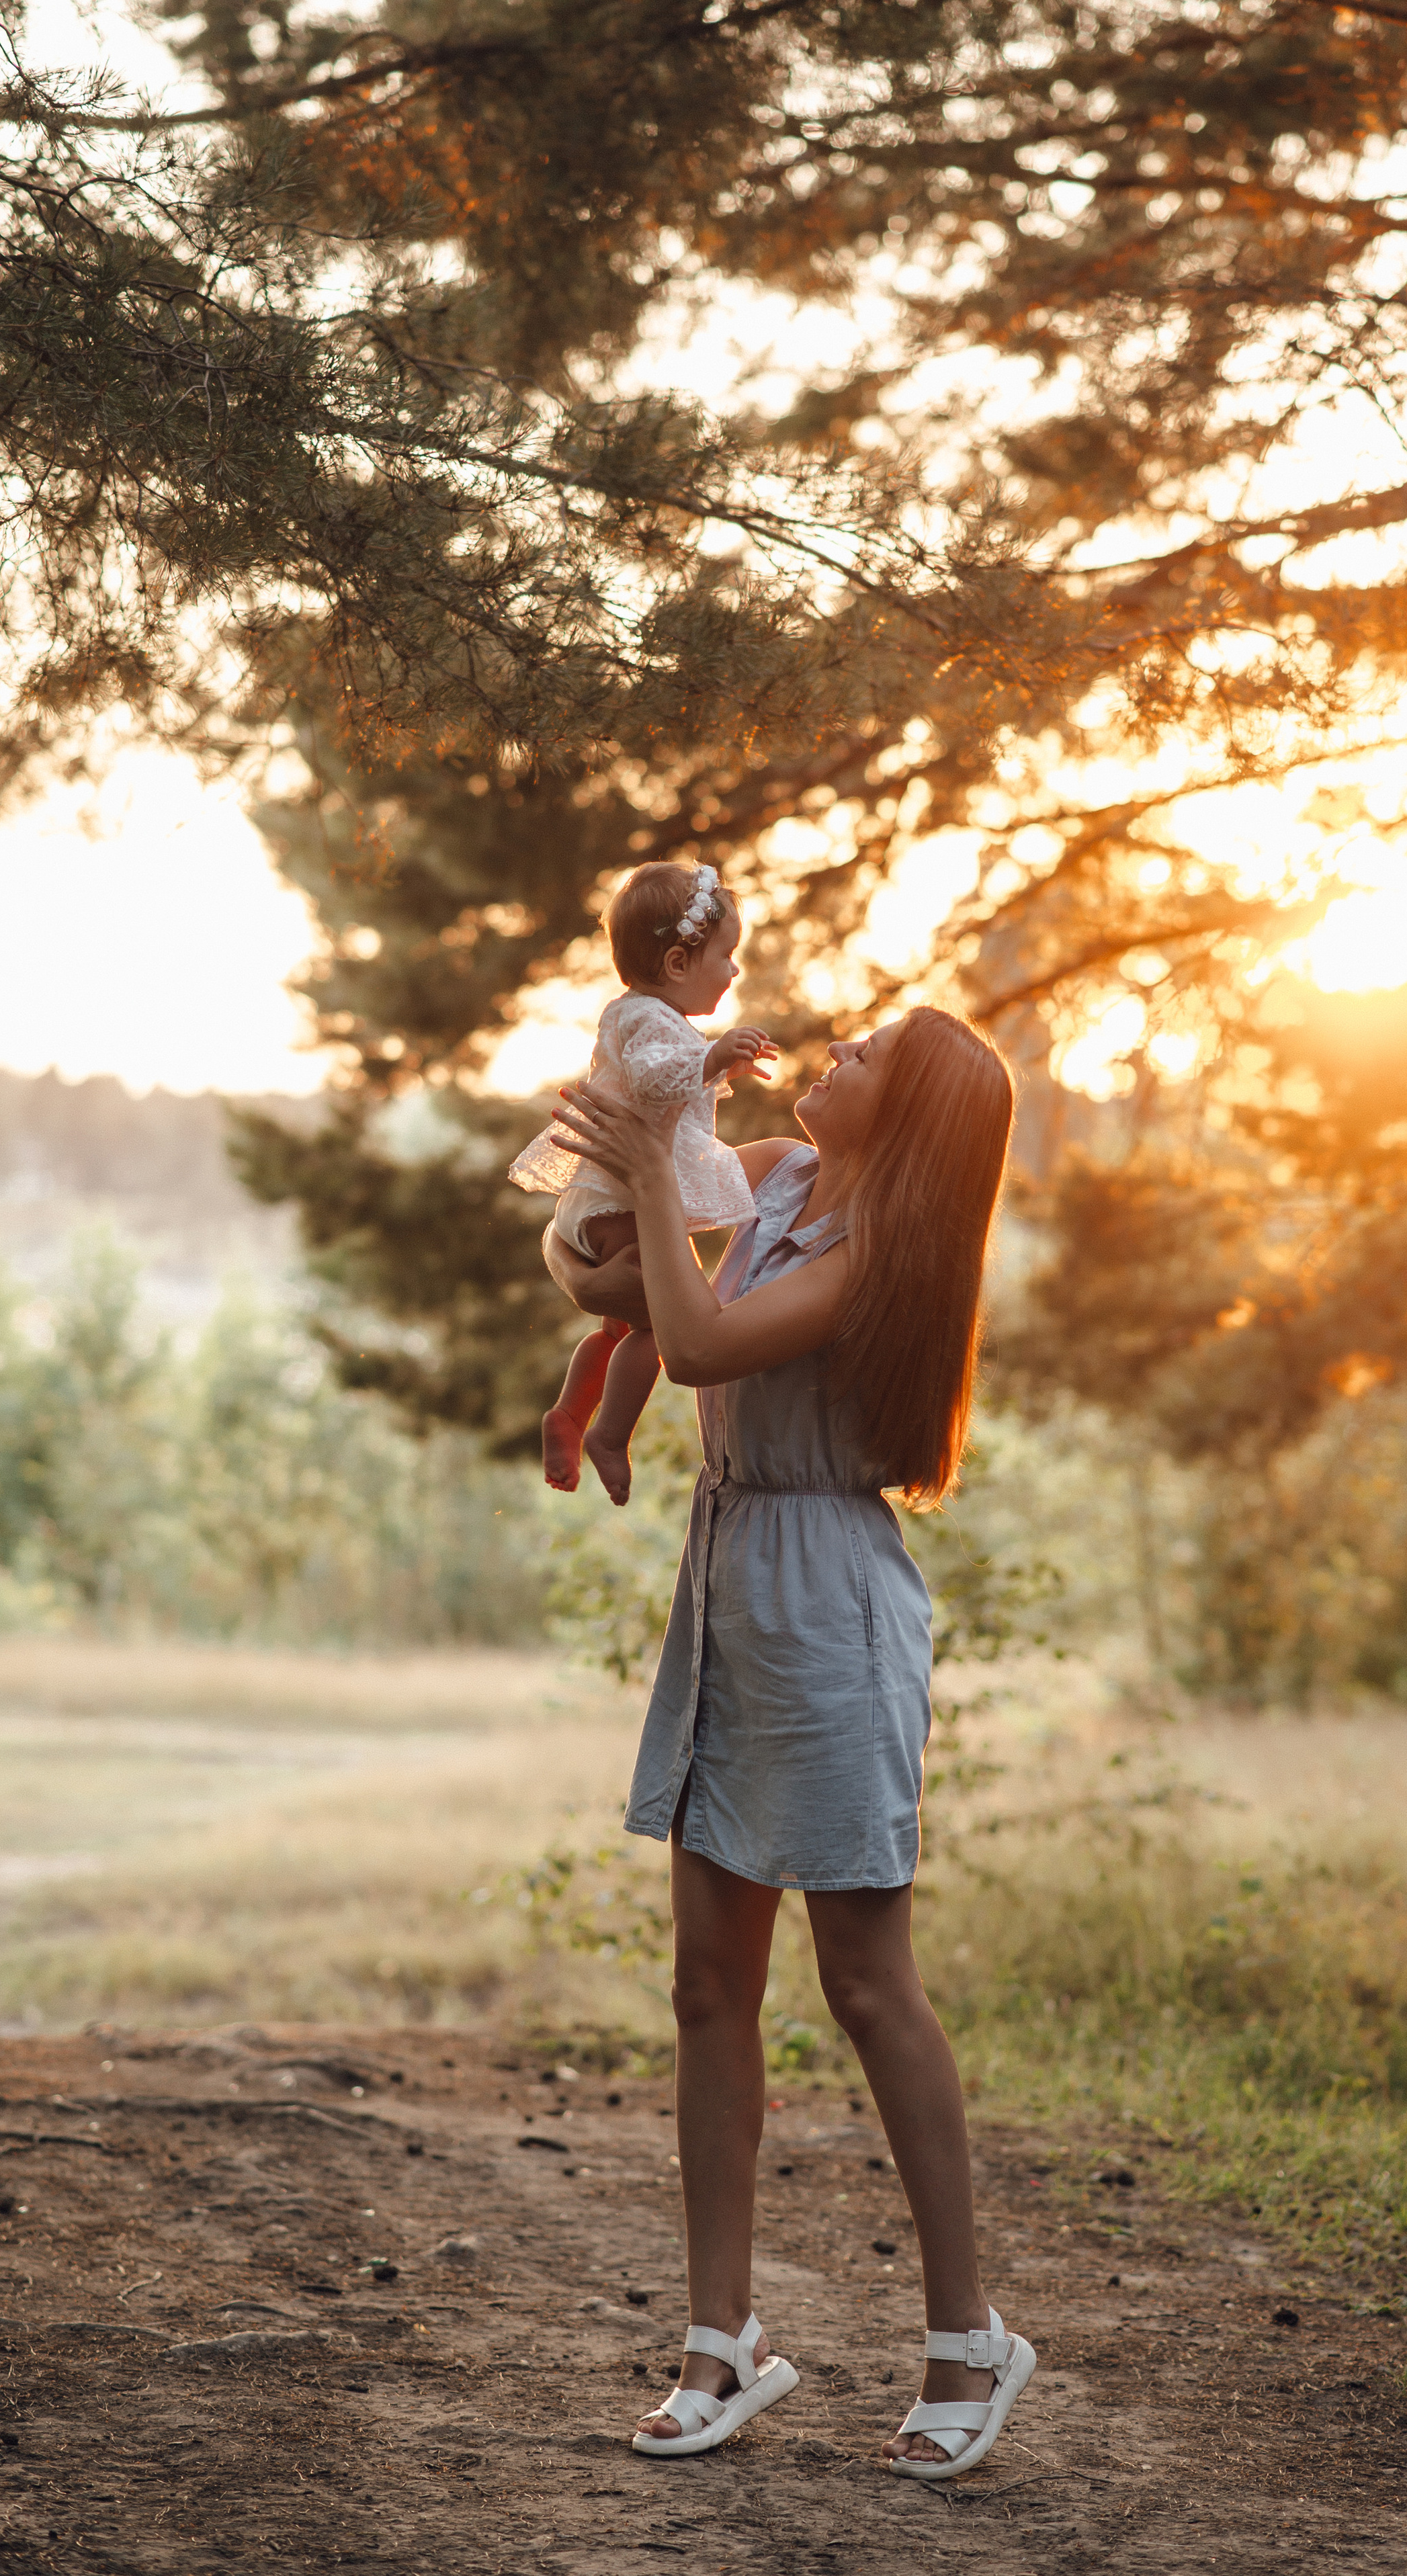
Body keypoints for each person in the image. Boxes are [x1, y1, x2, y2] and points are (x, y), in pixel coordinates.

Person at [542, 1004, 1031, 2481]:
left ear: (914, 1119)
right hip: (729, 1576)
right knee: (707, 1985)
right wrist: (620, 1177)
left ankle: (967, 2338)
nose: (835, 1053)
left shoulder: (879, 1251)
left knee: (868, 1984)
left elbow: (692, 1350)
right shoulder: (759, 1176)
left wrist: (644, 1187)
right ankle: (721, 2345)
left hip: (828, 1605)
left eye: (868, 1056)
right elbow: (611, 1285)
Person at [509, 860, 774, 1503]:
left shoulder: (642, 1018)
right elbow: (658, 1083)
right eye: (726, 956)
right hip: (615, 1201)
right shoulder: (648, 1022)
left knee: (619, 1330)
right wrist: (713, 1057)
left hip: (602, 1207)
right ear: (679, 963)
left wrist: (714, 1065)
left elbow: (664, 1086)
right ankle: (609, 1433)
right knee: (661, 1325)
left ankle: (569, 1415)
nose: (735, 971)